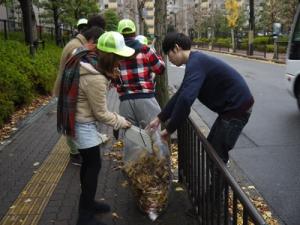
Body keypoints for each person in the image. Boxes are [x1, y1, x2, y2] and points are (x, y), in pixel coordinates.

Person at [57, 31, 134, 225]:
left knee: (89, 165)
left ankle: (89, 204)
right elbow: (101, 113)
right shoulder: (96, 78)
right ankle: (85, 216)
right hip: (84, 125)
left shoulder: (88, 60)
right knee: (93, 166)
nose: (120, 63)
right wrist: (121, 121)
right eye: (118, 58)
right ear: (109, 57)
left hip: (80, 121)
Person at [148, 32, 254, 164]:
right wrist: (160, 118)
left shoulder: (196, 63)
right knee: (212, 150)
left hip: (237, 108)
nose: (169, 60)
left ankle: (218, 184)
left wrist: (169, 130)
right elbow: (180, 94)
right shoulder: (195, 62)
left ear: (176, 48)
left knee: (216, 156)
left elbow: (186, 99)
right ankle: (217, 183)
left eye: (168, 55)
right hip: (231, 108)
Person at [53, 15, 107, 166]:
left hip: (69, 88)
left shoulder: (78, 43)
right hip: (70, 90)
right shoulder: (76, 46)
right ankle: (75, 153)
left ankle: (77, 151)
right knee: (73, 120)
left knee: (74, 120)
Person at [115, 19, 165, 128]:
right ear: (134, 33)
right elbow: (160, 69)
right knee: (153, 137)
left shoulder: (114, 53)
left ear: (119, 34)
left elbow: (113, 78)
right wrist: (158, 56)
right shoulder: (145, 49)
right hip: (146, 97)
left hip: (125, 100)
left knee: (131, 137)